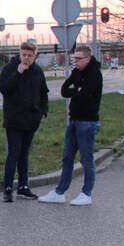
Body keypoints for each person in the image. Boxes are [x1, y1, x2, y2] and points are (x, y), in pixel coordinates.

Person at [40, 45, 103, 206]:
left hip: (87, 122)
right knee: (67, 157)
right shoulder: (76, 72)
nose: (76, 61)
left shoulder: (95, 74)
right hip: (73, 120)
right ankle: (60, 192)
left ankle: (86, 193)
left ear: (88, 59)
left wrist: (76, 90)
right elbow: (63, 90)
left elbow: (86, 94)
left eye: (79, 59)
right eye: (74, 58)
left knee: (86, 159)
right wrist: (77, 89)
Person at [0, 41, 49, 202]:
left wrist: (42, 112)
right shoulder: (10, 68)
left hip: (31, 119)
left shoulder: (37, 71)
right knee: (13, 152)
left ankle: (23, 186)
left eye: (30, 55)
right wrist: (18, 73)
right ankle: (7, 188)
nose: (26, 58)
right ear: (20, 54)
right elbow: (4, 88)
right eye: (24, 55)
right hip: (14, 119)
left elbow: (43, 92)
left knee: (24, 154)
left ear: (35, 56)